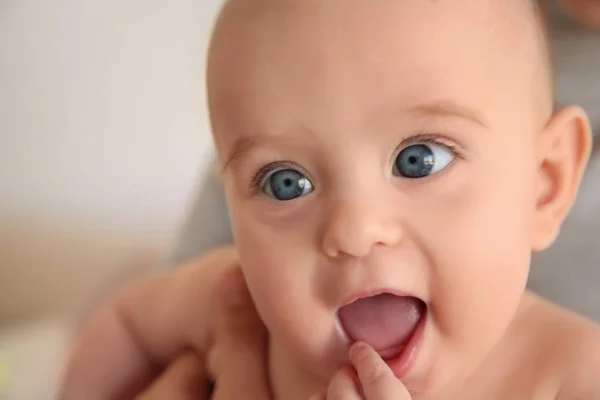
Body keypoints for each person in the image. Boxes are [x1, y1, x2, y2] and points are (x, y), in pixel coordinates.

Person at [61, 0, 600, 399]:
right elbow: (127, 323)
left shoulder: (572, 375)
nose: (354, 228)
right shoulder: (230, 302)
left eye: (420, 159)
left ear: (545, 183)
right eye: (285, 182)